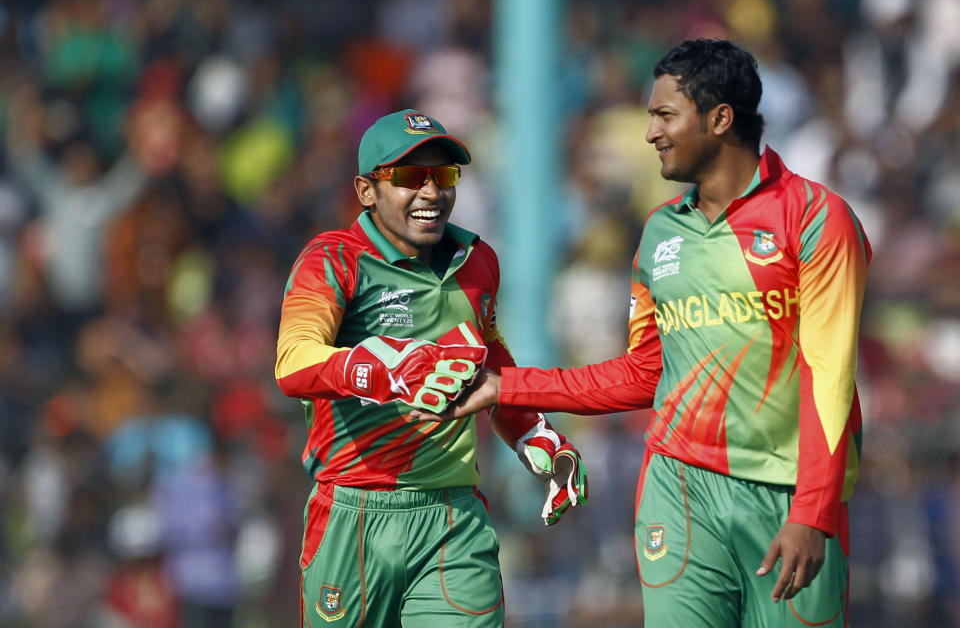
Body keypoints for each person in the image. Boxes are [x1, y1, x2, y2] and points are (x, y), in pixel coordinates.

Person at [417, 39, 872, 627]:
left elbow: (830, 377)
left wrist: (812, 512)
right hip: (679, 491)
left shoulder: (815, 217)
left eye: (663, 115)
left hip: (787, 494)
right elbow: (642, 374)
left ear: (719, 119)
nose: (650, 133)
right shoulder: (660, 233)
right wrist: (504, 386)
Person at [274, 109, 587, 627]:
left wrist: (535, 432)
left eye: (443, 176)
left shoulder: (478, 260)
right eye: (409, 177)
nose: (431, 192)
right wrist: (386, 369)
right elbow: (294, 362)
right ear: (366, 190)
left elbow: (490, 357)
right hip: (354, 512)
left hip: (452, 517)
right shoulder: (333, 259)